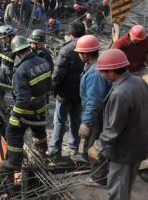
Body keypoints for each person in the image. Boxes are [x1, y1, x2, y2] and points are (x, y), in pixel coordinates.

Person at [89, 49, 148, 200]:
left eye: (103, 72)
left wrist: (98, 146)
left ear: (111, 71)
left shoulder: (120, 93)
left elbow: (113, 129)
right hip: (139, 146)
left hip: (124, 151)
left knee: (117, 189)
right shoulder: (138, 81)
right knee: (126, 185)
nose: (101, 75)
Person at [2, 36, 52, 170]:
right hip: (40, 108)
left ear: (17, 52)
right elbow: (49, 85)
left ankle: (14, 162)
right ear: (28, 47)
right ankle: (42, 154)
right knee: (39, 132)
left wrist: (15, 116)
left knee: (13, 132)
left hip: (27, 112)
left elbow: (23, 99)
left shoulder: (20, 71)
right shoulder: (43, 62)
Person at [74, 35, 110, 186]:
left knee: (94, 148)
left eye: (79, 53)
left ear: (85, 54)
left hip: (97, 117)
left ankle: (99, 178)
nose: (78, 55)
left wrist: (86, 123)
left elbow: (94, 101)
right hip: (97, 115)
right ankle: (88, 162)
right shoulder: (93, 66)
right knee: (89, 144)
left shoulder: (95, 74)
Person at [47, 22, 85, 158]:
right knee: (76, 120)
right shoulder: (89, 46)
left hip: (65, 93)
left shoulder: (66, 50)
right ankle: (74, 147)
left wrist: (53, 89)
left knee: (59, 121)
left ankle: (55, 149)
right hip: (80, 93)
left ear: (71, 34)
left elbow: (57, 74)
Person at [0, 25, 16, 103]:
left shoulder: (16, 47)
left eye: (5, 38)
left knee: (15, 93)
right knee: (0, 90)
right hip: (2, 73)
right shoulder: (5, 46)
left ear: (11, 36)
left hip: (11, 74)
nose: (4, 40)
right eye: (3, 38)